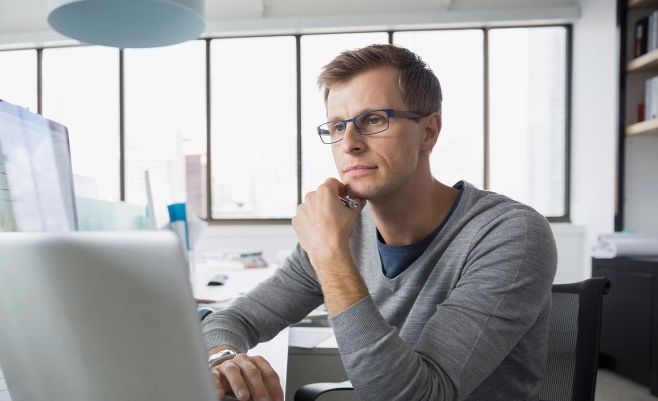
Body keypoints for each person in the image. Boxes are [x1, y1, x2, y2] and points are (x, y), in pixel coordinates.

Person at [201, 44, 557, 401]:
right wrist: (224, 357)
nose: (349, 144)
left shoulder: (511, 233)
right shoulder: (347, 229)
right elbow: (234, 319)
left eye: (373, 120)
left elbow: (421, 397)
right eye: (338, 126)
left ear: (429, 131)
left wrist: (329, 253)